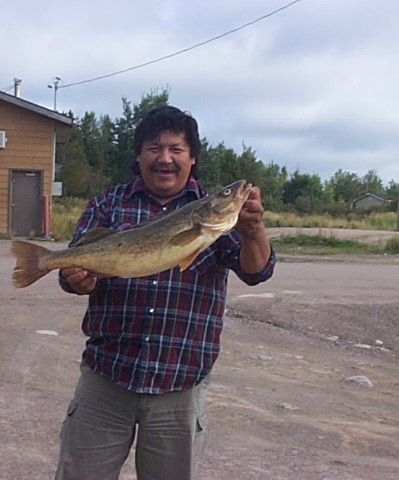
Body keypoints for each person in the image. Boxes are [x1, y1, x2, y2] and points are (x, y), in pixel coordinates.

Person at [54, 105, 275, 480]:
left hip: (180, 385)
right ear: (139, 155)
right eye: (154, 148)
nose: (165, 158)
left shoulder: (210, 215)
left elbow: (257, 272)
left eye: (176, 148)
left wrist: (252, 231)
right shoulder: (107, 205)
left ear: (192, 158)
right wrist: (73, 277)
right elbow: (71, 272)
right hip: (107, 378)